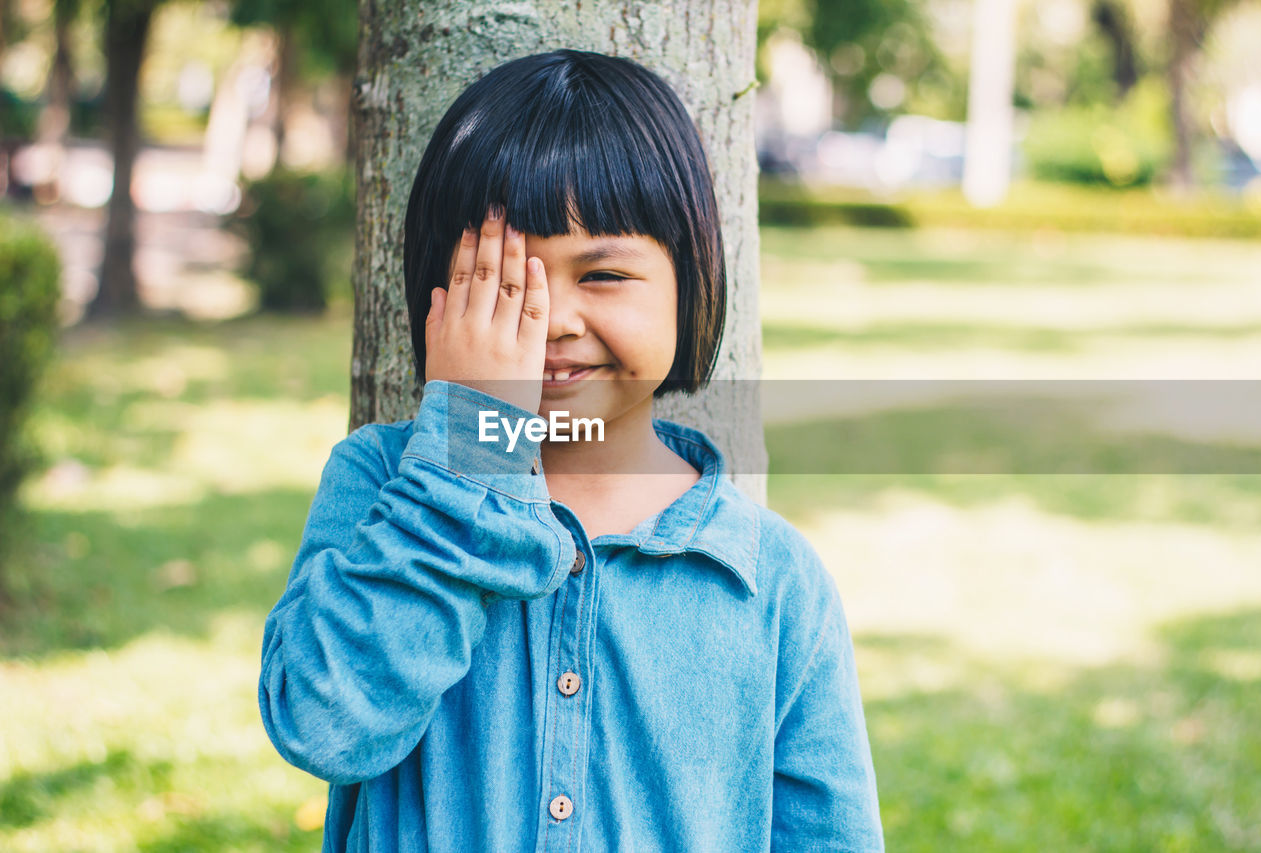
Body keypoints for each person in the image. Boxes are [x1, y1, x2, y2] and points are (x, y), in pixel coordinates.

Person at [258, 48, 883, 852]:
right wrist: (468, 452)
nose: (552, 320)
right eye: (505, 281)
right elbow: (324, 725)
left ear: (690, 284)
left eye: (605, 275)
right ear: (436, 298)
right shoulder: (380, 479)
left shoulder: (773, 580)